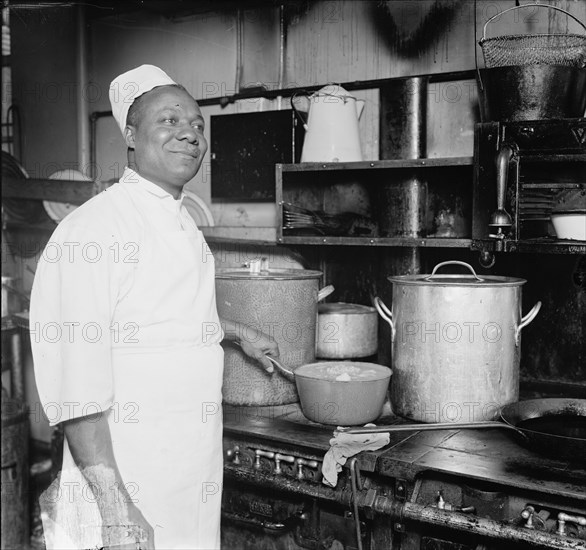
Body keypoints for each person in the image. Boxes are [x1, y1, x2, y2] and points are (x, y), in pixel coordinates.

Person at [30, 64, 279, 550]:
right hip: (126, 489)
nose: (189, 134)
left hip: (187, 475)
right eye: (169, 121)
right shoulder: (93, 230)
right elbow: (76, 386)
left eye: (197, 124)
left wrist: (233, 332)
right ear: (130, 134)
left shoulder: (182, 223)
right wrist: (116, 508)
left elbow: (159, 316)